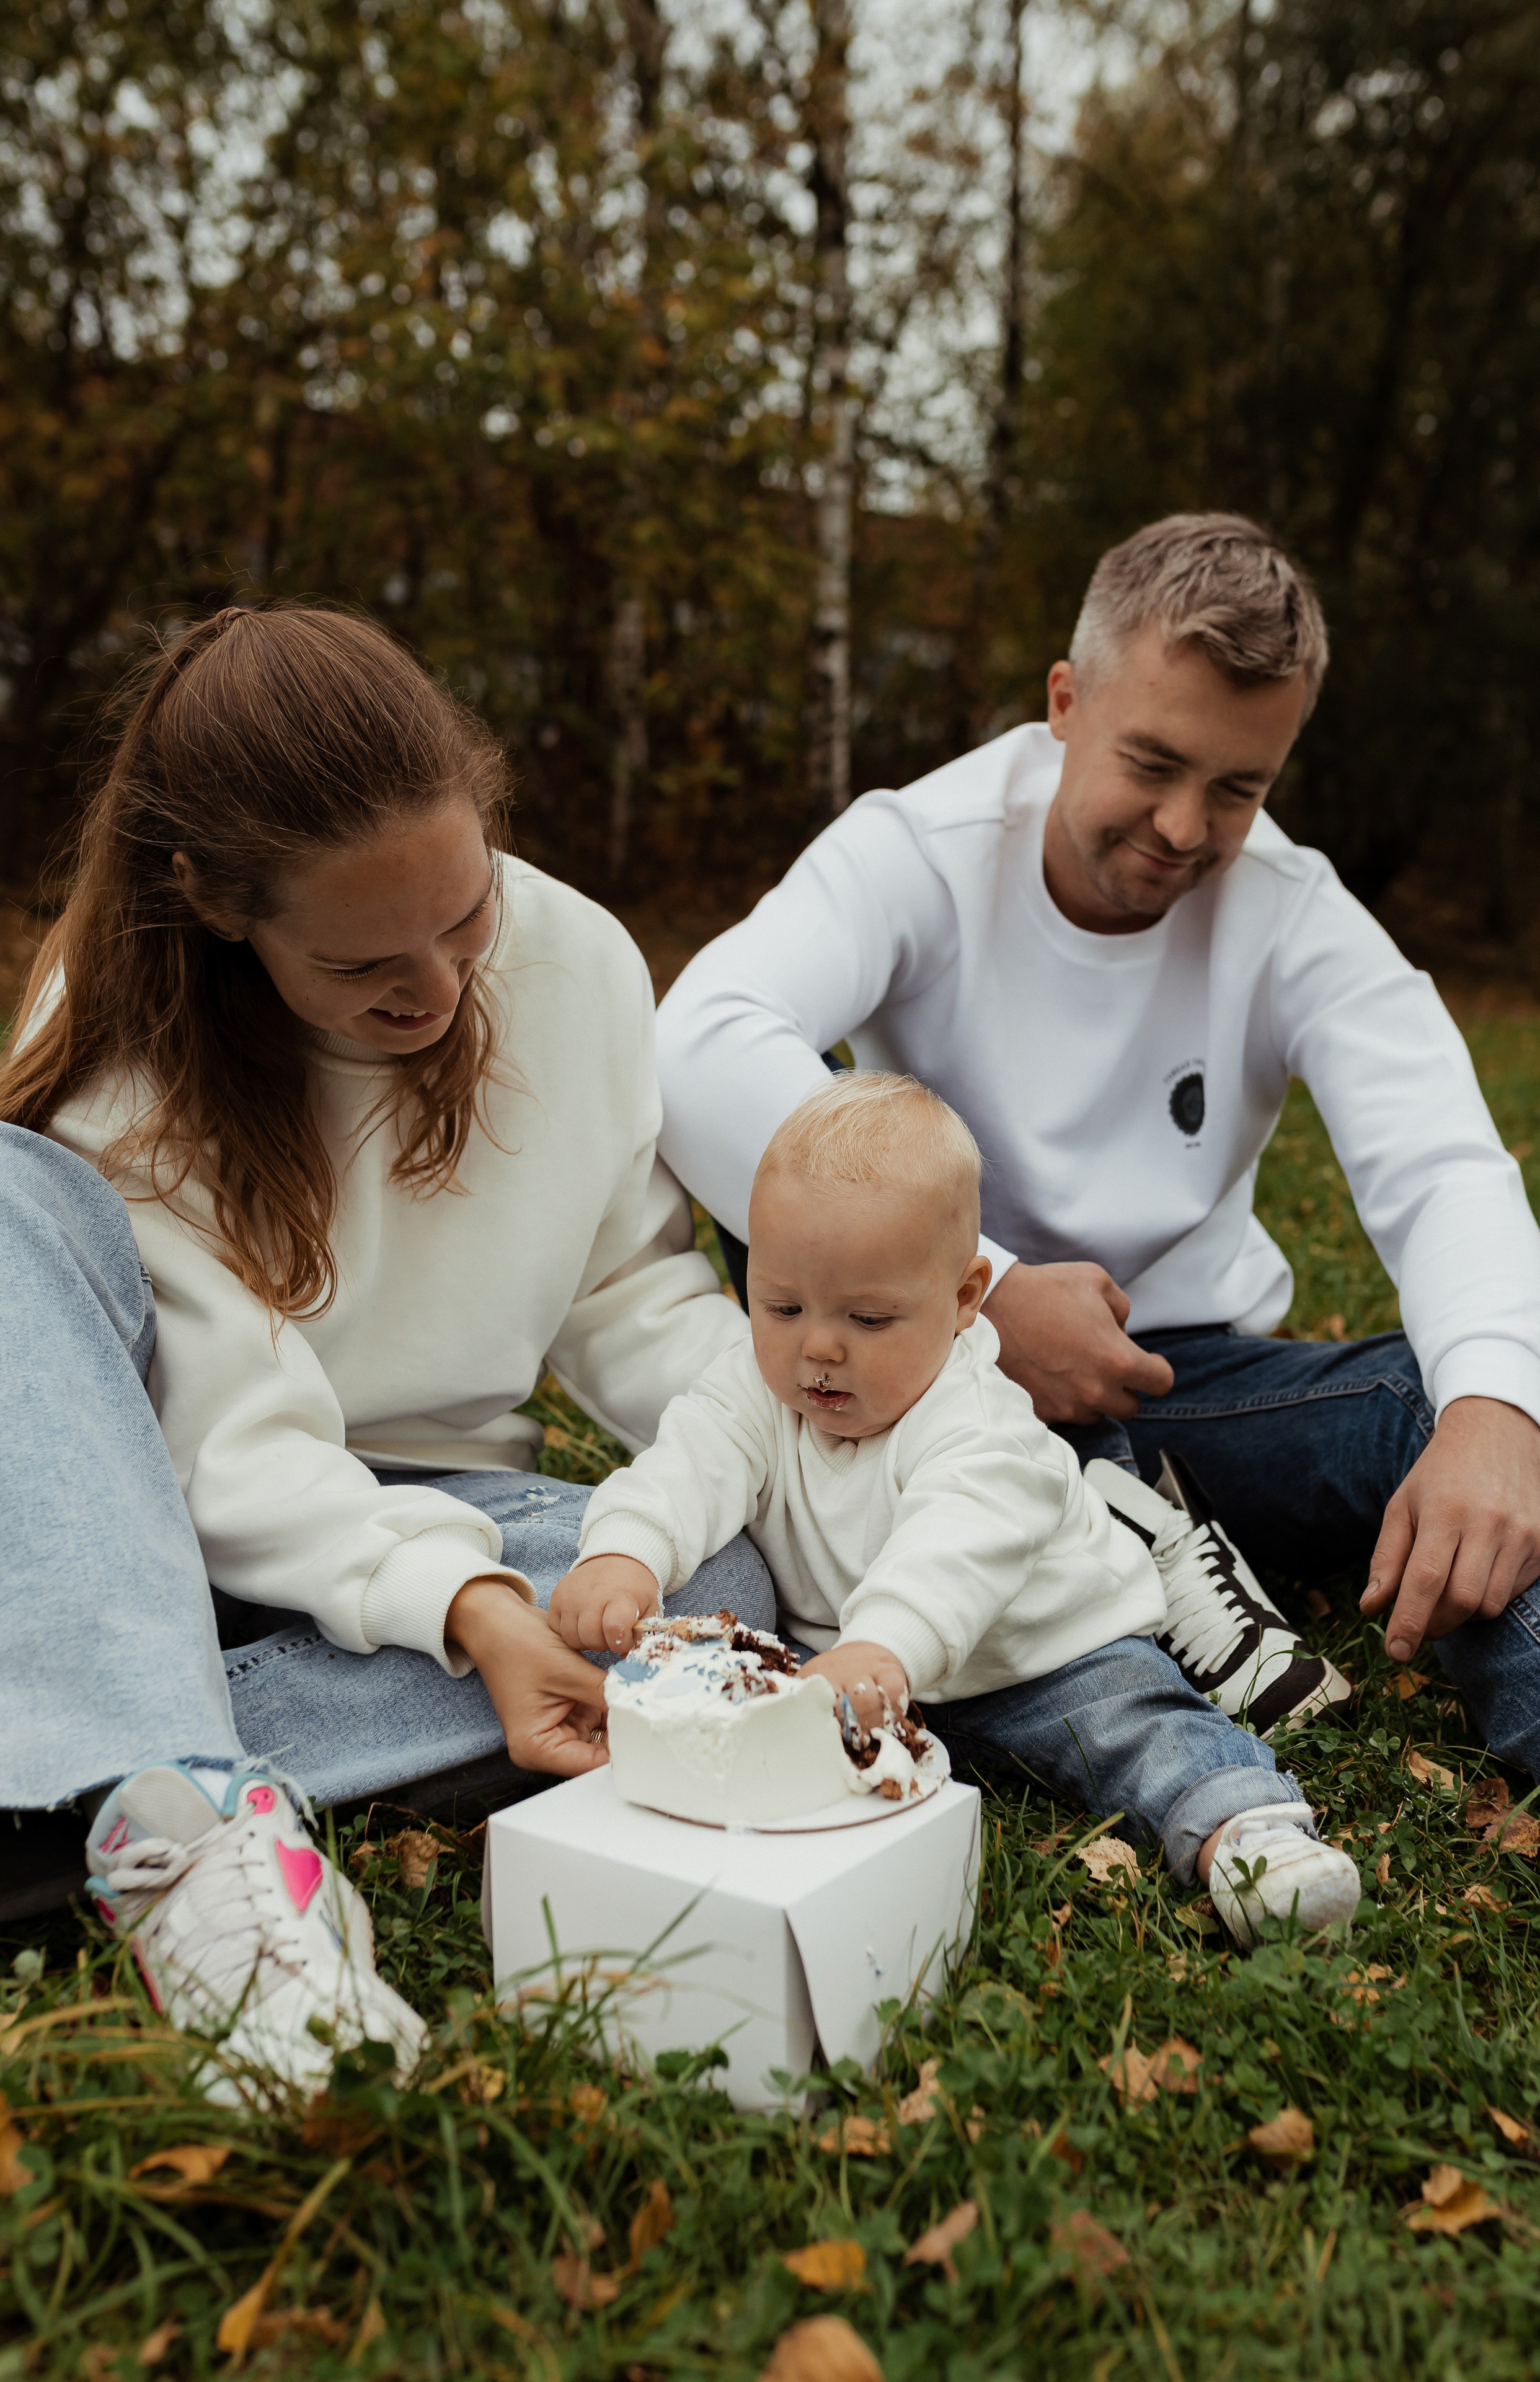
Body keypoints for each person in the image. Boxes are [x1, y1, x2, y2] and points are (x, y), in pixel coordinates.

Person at [0, 602, 770, 2098]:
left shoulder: (577, 957)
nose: (440, 988)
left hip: (442, 1507)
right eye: (363, 964)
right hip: (163, 1521)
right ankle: (173, 1817)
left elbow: (635, 1297)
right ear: (214, 901)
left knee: (707, 1580)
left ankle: (66, 1773)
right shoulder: (122, 1018)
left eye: (463, 921)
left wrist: (794, 1436)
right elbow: (228, 1446)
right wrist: (462, 1609)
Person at [653, 513, 1540, 1780]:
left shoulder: (1292, 911)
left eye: (1236, 787)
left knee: (1449, 1405)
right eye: (1153, 762)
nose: (1184, 825)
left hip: (1181, 1389)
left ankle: (1160, 1532)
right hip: (916, 1396)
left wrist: (1497, 1415)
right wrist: (993, 1297)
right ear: (1064, 701)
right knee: (808, 1189)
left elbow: (1445, 1166)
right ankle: (1146, 1558)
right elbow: (698, 1040)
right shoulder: (921, 846)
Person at [551, 1072, 1361, 1946]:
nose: (817, 1346)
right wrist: (625, 1551)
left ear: (966, 1297)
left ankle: (1251, 1837)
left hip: (1038, 1654)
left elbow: (954, 1547)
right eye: (781, 1305)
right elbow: (687, 1463)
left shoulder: (978, 1420)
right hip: (854, 1669)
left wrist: (882, 1647)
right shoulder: (761, 1383)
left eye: (867, 1317)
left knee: (1137, 1724)